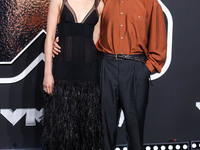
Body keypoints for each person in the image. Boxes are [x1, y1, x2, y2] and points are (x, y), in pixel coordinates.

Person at [53, 0, 167, 149]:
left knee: (135, 131)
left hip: (135, 67)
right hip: (106, 66)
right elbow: (86, 25)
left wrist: (144, 70)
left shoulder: (150, 3)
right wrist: (63, 40)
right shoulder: (103, 1)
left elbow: (158, 38)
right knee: (104, 131)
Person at [42, 0, 104, 149]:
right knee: (61, 128)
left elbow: (96, 40)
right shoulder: (58, 1)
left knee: (86, 129)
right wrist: (47, 73)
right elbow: (49, 38)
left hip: (89, 72)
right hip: (63, 70)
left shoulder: (99, 4)